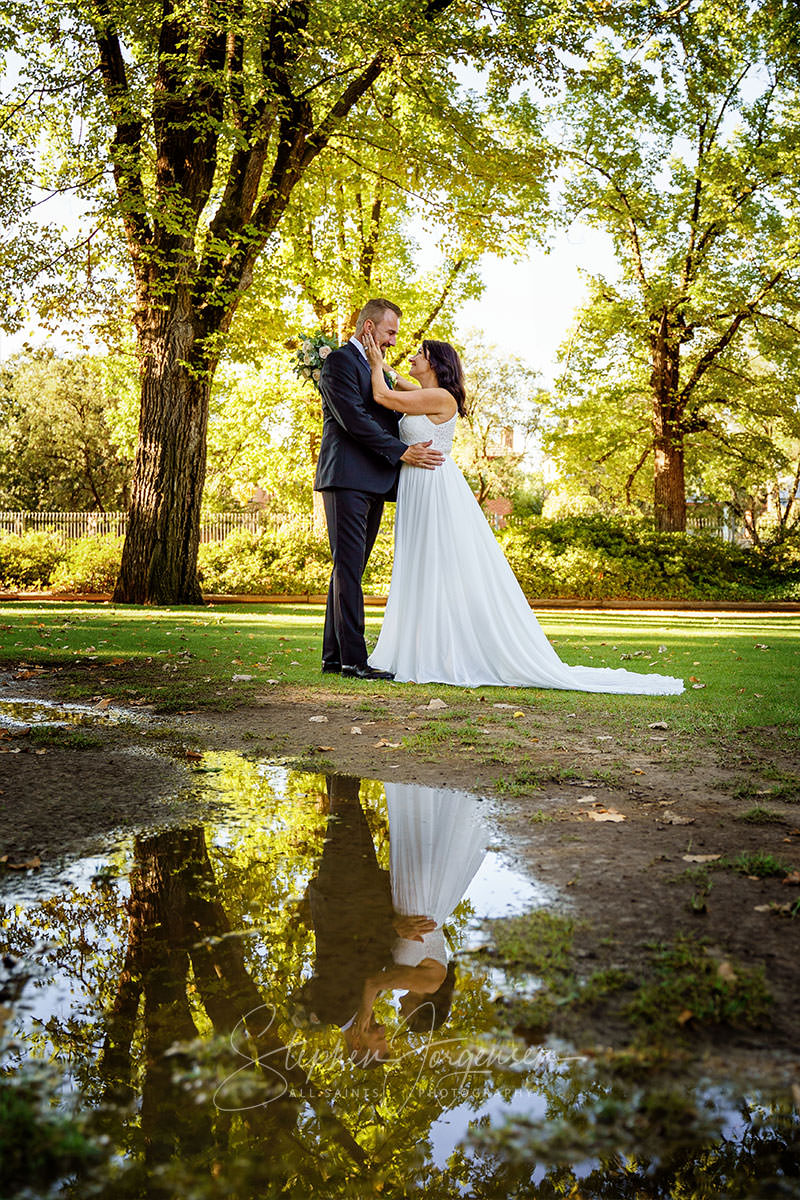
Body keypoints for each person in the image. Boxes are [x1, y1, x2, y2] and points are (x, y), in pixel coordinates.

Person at [361, 332, 685, 694]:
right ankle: (425, 647)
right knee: (422, 563)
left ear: (434, 364)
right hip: (418, 484)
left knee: (437, 563)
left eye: (419, 355)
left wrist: (375, 364)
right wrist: (381, 362)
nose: (411, 359)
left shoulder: (439, 397)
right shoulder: (424, 391)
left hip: (433, 485)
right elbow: (399, 381)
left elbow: (383, 395)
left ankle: (444, 651)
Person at [314, 299, 445, 681]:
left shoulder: (372, 368)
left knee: (348, 569)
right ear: (369, 328)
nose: (393, 341)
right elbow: (353, 419)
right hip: (347, 479)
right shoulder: (339, 362)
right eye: (390, 332)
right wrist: (402, 451)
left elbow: (387, 411)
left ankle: (333, 656)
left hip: (372, 481)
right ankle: (354, 661)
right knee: (349, 569)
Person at [295, 774, 435, 1066]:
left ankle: (335, 746)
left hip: (342, 892)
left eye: (379, 1039)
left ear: (357, 1045)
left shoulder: (331, 1009)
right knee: (347, 808)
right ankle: (334, 754)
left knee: (343, 811)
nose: (383, 1030)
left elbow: (346, 954)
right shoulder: (361, 1007)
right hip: (362, 891)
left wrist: (392, 927)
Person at [354, 782, 489, 1040]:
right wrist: (364, 1012)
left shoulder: (410, 982)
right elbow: (373, 983)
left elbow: (375, 975)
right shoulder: (429, 983)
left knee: (414, 835)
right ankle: (423, 788)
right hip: (422, 903)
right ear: (422, 1010)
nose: (400, 1014)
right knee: (420, 838)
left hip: (409, 904)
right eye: (407, 1018)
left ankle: (419, 786)